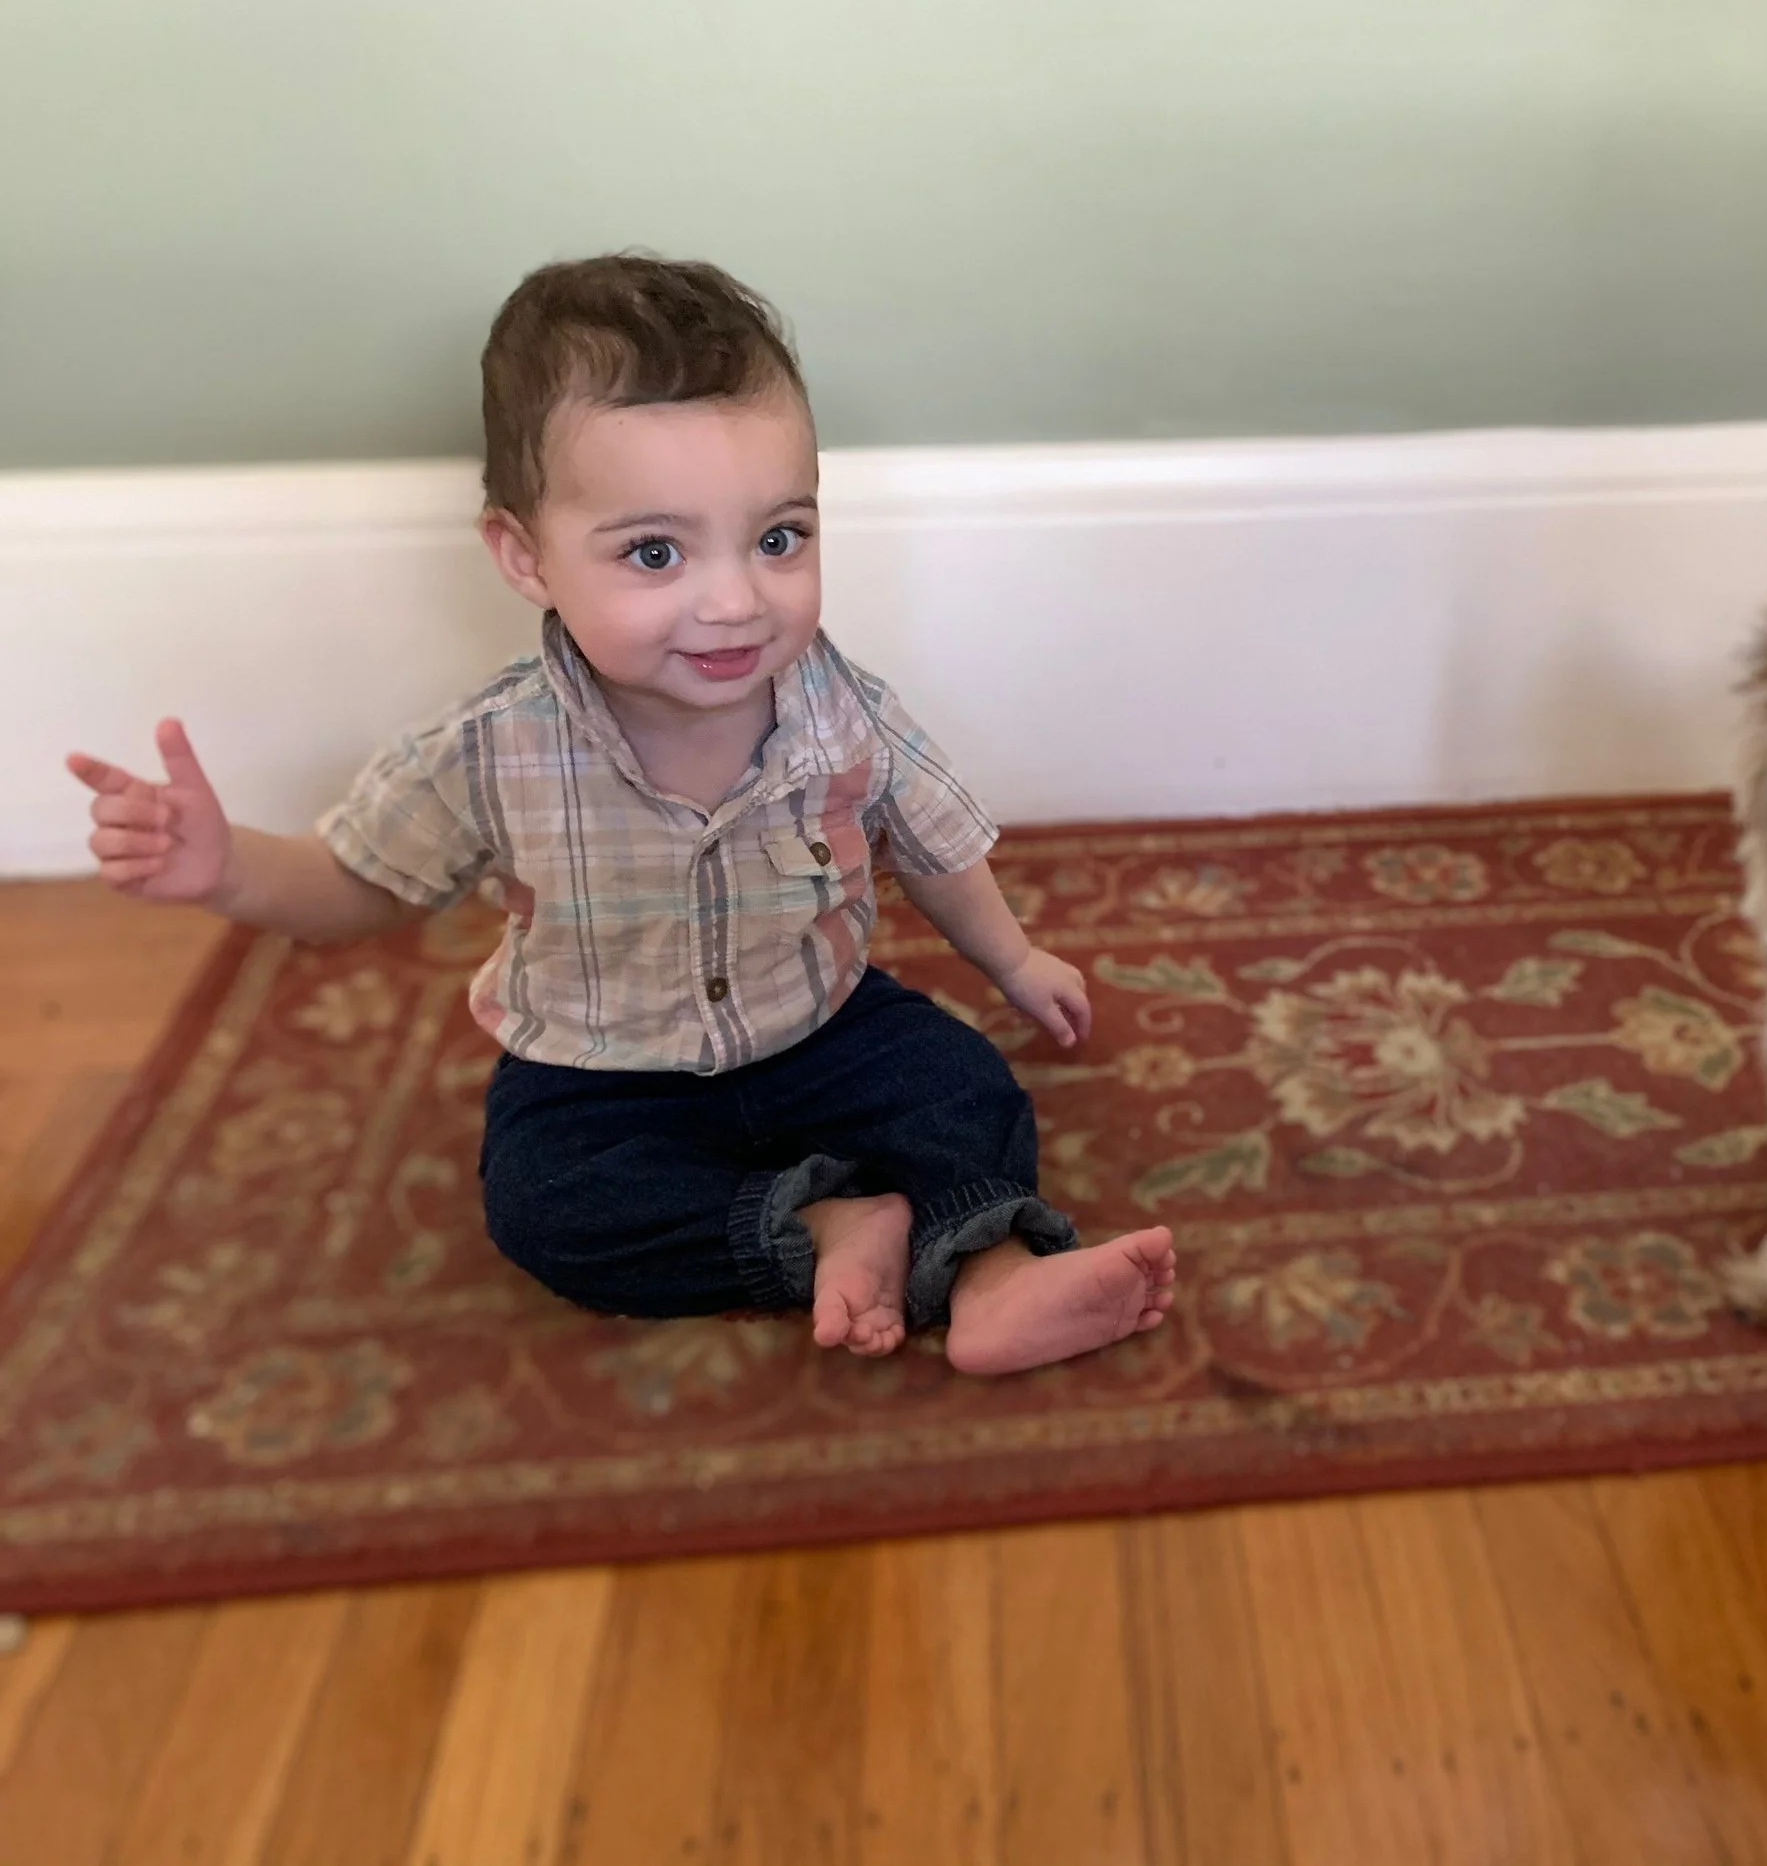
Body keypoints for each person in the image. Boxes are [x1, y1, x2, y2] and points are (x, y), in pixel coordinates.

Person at [66, 253, 1176, 1376]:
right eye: (655, 552)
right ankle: (823, 1232)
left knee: (959, 1084)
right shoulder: (490, 747)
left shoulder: (840, 708)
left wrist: (1014, 958)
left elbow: (931, 843)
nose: (736, 599)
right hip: (597, 1070)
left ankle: (991, 1276)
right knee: (548, 1208)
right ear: (525, 555)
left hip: (820, 1023)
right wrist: (224, 870)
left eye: (779, 537)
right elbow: (359, 880)